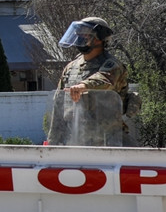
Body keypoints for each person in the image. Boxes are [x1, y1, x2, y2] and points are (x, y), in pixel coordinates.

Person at [49, 16, 128, 145]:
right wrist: (53, 143)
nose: (80, 38)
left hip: (107, 140)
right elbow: (59, 105)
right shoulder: (71, 68)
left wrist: (83, 86)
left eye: (85, 34)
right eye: (78, 34)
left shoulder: (112, 64)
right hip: (75, 138)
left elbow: (105, 79)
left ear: (100, 38)